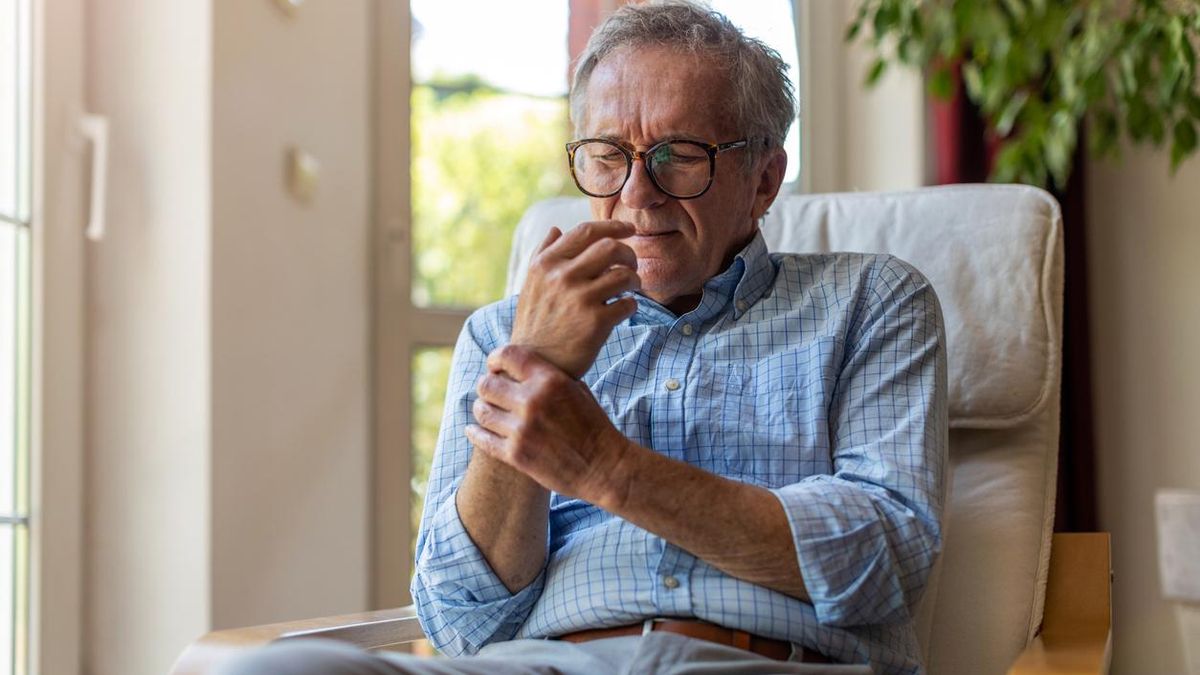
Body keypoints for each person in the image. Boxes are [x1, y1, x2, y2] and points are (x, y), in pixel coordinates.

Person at [219, 1, 946, 673]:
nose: (637, 193)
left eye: (679, 154)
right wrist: (532, 366)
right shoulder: (501, 333)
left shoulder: (871, 300)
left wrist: (605, 467)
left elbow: (887, 558)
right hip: (545, 665)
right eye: (607, 154)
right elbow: (457, 621)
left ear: (763, 178)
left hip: (761, 661)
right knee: (265, 667)